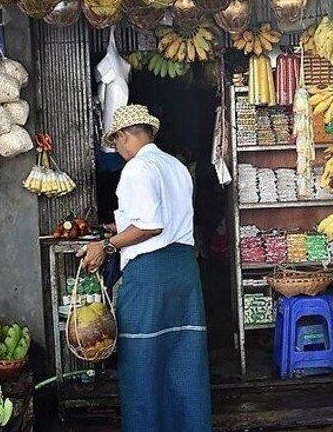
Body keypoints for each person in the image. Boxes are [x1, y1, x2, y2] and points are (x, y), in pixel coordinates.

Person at [78, 104, 213, 431]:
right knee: (184, 359)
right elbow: (165, 216)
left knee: (142, 362)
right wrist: (117, 227)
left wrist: (106, 245)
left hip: (151, 276)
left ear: (125, 136)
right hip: (183, 272)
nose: (119, 151)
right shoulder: (176, 166)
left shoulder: (137, 168)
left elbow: (151, 226)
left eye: (116, 143)